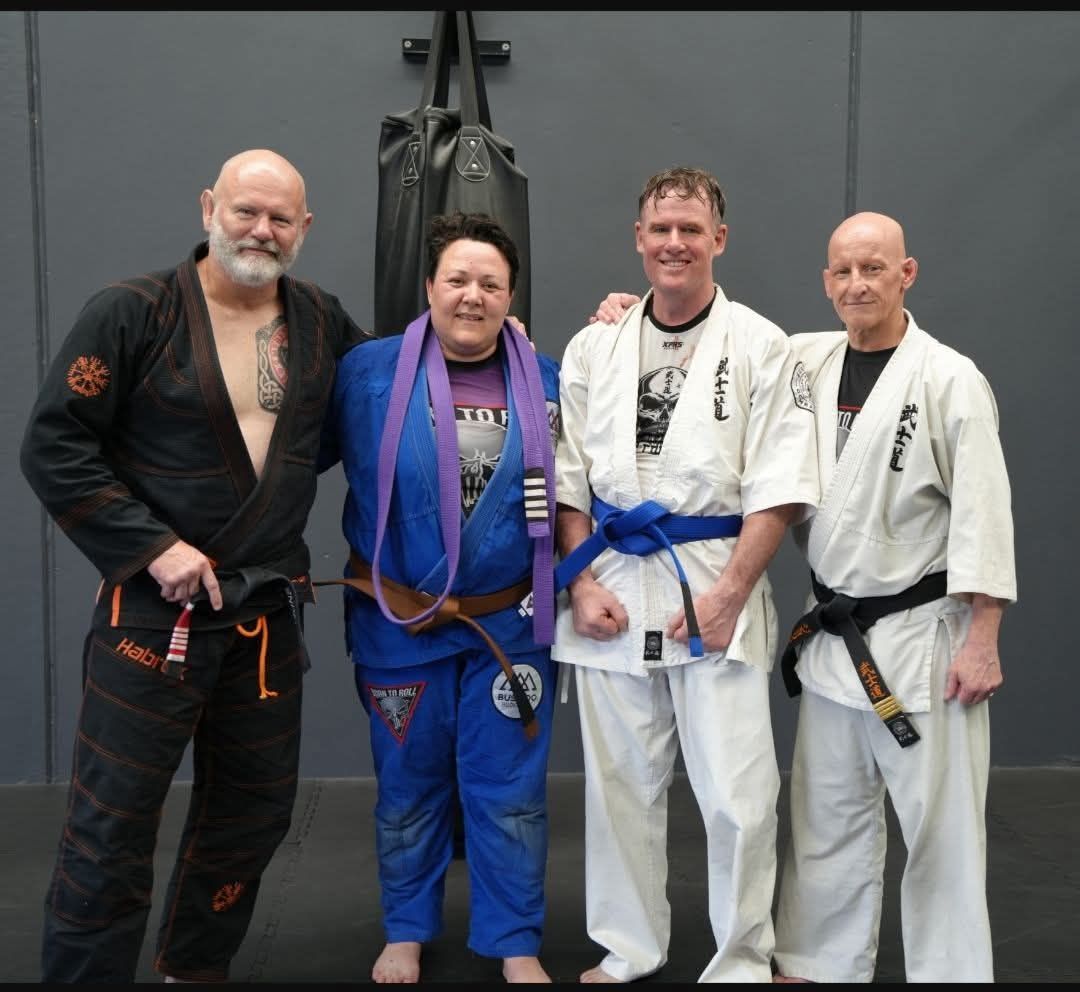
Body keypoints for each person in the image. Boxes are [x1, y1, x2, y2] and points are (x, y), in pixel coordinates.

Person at [592, 211, 1016, 984]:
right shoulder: (804, 360)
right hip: (834, 637)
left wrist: (983, 632)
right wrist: (632, 316)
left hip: (926, 637)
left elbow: (985, 511)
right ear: (826, 281)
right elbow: (706, 334)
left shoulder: (950, 378)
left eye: (874, 270)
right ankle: (819, 962)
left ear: (906, 273)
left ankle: (953, 972)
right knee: (825, 817)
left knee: (942, 832)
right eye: (843, 272)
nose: (857, 285)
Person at [19, 148, 373, 983]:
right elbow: (54, 443)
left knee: (252, 815)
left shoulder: (319, 319)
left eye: (281, 218)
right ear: (209, 205)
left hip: (263, 617)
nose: (262, 230)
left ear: (305, 228)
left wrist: (506, 335)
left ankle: (194, 968)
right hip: (153, 613)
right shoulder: (132, 312)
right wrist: (150, 546)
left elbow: (394, 387)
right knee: (113, 822)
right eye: (246, 211)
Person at [555, 166, 819, 984]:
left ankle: (742, 958)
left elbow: (780, 483)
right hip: (609, 581)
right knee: (619, 789)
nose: (674, 243)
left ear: (719, 241)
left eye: (691, 229)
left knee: (739, 798)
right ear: (639, 239)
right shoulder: (593, 342)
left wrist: (732, 593)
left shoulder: (762, 345)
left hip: (713, 575)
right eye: (660, 229)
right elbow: (568, 476)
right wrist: (577, 582)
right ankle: (628, 947)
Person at [317, 211, 560, 984]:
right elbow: (287, 454)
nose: (472, 295)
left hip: (507, 625)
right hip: (401, 623)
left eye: (490, 283)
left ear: (510, 297)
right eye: (457, 278)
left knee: (511, 792)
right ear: (429, 286)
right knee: (407, 784)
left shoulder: (548, 380)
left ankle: (514, 939)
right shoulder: (367, 374)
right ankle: (406, 927)